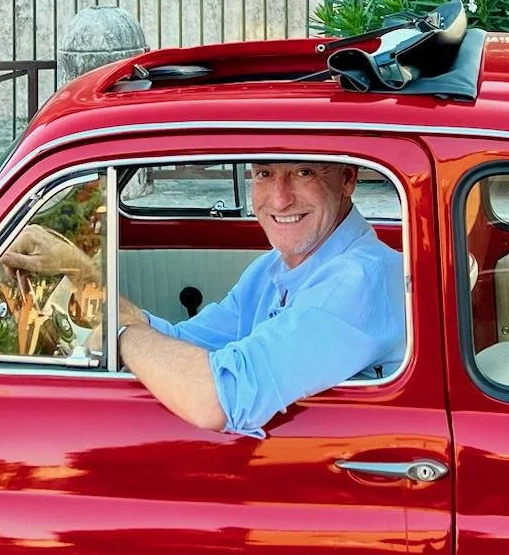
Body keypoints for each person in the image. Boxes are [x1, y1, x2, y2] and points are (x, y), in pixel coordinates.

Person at [114, 161, 404, 437]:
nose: (280, 200)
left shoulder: (360, 279)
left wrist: (124, 334)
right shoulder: (271, 268)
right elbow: (183, 340)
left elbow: (218, 401)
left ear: (347, 179)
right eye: (264, 173)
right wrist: (110, 310)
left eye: (303, 172)